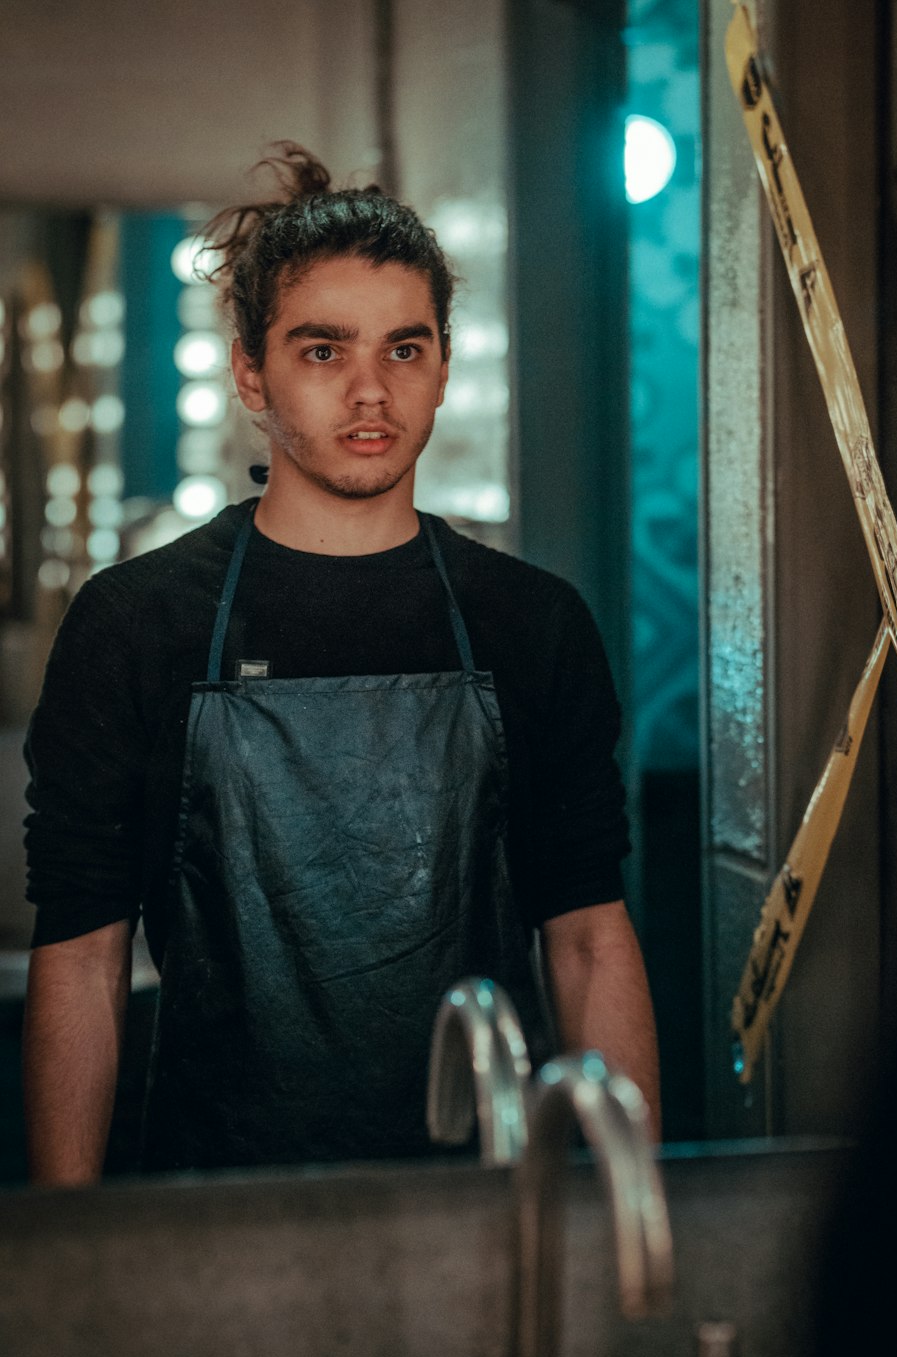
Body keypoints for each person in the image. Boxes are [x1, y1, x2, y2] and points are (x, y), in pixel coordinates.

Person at [21, 143, 660, 1184]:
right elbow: (85, 959)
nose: (370, 391)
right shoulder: (135, 624)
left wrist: (629, 1213)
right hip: (212, 1200)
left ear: (444, 366)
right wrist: (67, 1249)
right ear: (248, 371)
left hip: (489, 1201)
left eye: (403, 351)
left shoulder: (531, 623)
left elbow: (587, 936)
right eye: (323, 352)